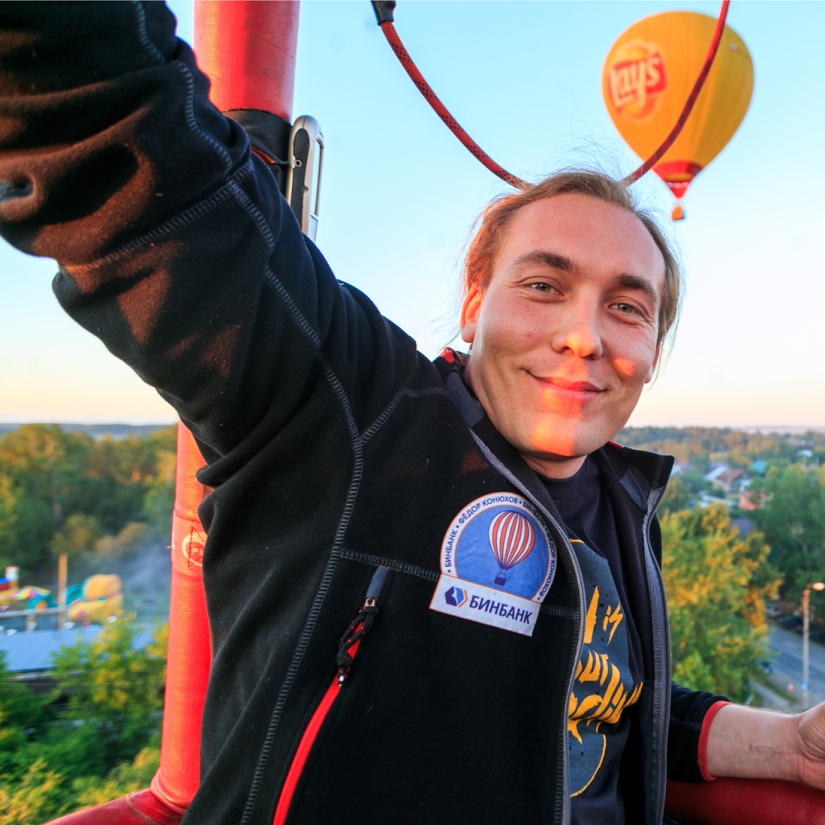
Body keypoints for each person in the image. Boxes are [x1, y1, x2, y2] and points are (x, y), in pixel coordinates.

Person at [2, 3, 825, 824]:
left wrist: (790, 743)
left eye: (627, 306)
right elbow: (132, 152)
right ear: (473, 303)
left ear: (652, 346)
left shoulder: (619, 498)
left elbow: (599, 692)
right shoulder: (353, 418)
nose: (583, 336)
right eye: (543, 285)